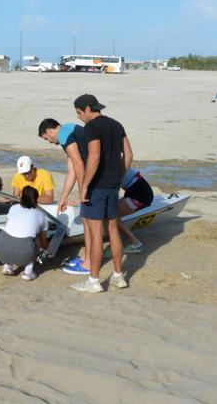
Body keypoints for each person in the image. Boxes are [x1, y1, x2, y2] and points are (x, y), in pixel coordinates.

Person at [73, 94, 132, 293]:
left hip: (97, 187)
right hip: (113, 185)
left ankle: (94, 281)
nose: (79, 117)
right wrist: (119, 176)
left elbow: (95, 156)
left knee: (97, 234)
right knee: (113, 230)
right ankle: (118, 276)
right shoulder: (116, 124)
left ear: (88, 109)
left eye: (79, 113)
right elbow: (129, 154)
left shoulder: (92, 127)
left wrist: (85, 186)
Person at [38, 118, 92, 275]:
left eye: (46, 139)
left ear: (49, 131)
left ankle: (87, 264)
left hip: (95, 177)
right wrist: (63, 197)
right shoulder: (69, 130)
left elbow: (79, 163)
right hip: (93, 177)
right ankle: (86, 257)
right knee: (87, 218)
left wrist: (83, 191)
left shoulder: (63, 135)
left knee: (88, 220)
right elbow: (72, 171)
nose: (49, 142)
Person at [0, 186, 48, 281]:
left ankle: (7, 266)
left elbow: (6, 225)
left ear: (21, 197)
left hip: (0, 247)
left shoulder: (13, 207)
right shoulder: (41, 215)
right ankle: (28, 272)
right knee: (36, 237)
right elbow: (43, 241)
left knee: (11, 234)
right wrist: (44, 250)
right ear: (36, 199)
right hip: (24, 249)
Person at [103, 167, 154, 257]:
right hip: (139, 190)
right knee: (111, 214)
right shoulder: (111, 160)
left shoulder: (109, 166)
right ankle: (124, 244)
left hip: (139, 195)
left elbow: (112, 192)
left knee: (109, 215)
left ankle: (131, 245)